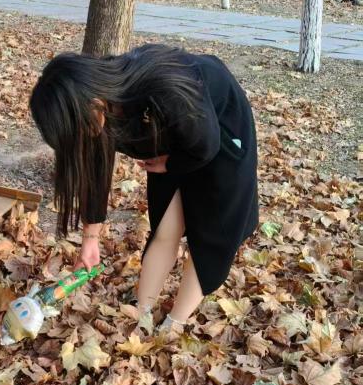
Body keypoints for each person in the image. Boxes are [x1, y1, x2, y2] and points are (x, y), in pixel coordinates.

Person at [29, 44, 259, 334]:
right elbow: (94, 171)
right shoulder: (97, 105)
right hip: (168, 141)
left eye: (77, 132)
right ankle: (142, 314)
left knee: (212, 236)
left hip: (218, 134)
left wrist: (170, 163)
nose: (80, 141)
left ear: (96, 106)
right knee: (165, 227)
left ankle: (174, 323)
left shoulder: (164, 89)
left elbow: (206, 145)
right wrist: (90, 240)